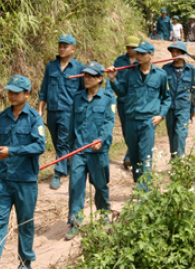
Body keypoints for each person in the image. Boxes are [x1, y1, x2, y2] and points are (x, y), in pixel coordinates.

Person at [0, 75, 46, 269]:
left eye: (16, 93)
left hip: (25, 181)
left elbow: (40, 146)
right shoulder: (3, 117)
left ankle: (25, 262)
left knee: (25, 223)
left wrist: (12, 151)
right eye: (10, 92)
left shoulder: (34, 119)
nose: (12, 96)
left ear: (27, 94)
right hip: (3, 181)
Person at [107, 40, 171, 191]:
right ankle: (139, 185)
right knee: (134, 157)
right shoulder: (129, 73)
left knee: (145, 157)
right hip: (131, 121)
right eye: (137, 53)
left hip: (148, 122)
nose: (138, 56)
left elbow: (167, 98)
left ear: (151, 55)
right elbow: (121, 92)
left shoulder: (160, 75)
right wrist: (113, 80)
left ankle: (144, 193)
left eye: (142, 54)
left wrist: (161, 115)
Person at [66, 62, 116, 240]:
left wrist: (101, 140)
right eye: (85, 75)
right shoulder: (77, 98)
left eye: (91, 76)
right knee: (76, 187)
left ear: (100, 79)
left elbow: (109, 123)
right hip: (79, 150)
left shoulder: (108, 98)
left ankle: (103, 215)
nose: (86, 78)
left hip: (98, 152)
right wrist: (70, 151)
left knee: (101, 186)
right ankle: (74, 223)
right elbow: (72, 125)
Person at [38, 33, 85, 190]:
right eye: (60, 45)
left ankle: (58, 173)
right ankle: (67, 164)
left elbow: (84, 92)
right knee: (57, 140)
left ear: (73, 49)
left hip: (68, 112)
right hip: (52, 111)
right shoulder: (51, 66)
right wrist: (40, 110)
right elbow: (44, 88)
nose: (62, 48)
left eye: (65, 46)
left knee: (62, 141)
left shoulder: (79, 69)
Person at [106, 36, 140, 169]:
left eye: (133, 47)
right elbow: (111, 79)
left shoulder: (141, 61)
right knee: (126, 131)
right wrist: (108, 96)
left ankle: (131, 156)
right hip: (123, 100)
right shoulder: (119, 61)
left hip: (137, 102)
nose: (130, 50)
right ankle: (130, 153)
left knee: (136, 130)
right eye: (128, 47)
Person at [162, 42, 195, 158]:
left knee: (181, 134)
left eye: (177, 52)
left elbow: (194, 90)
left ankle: (180, 162)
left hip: (184, 108)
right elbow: (162, 89)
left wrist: (192, 108)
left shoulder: (191, 70)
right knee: (172, 135)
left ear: (183, 54)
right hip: (170, 108)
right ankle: (174, 161)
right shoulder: (165, 69)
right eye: (173, 52)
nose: (174, 54)